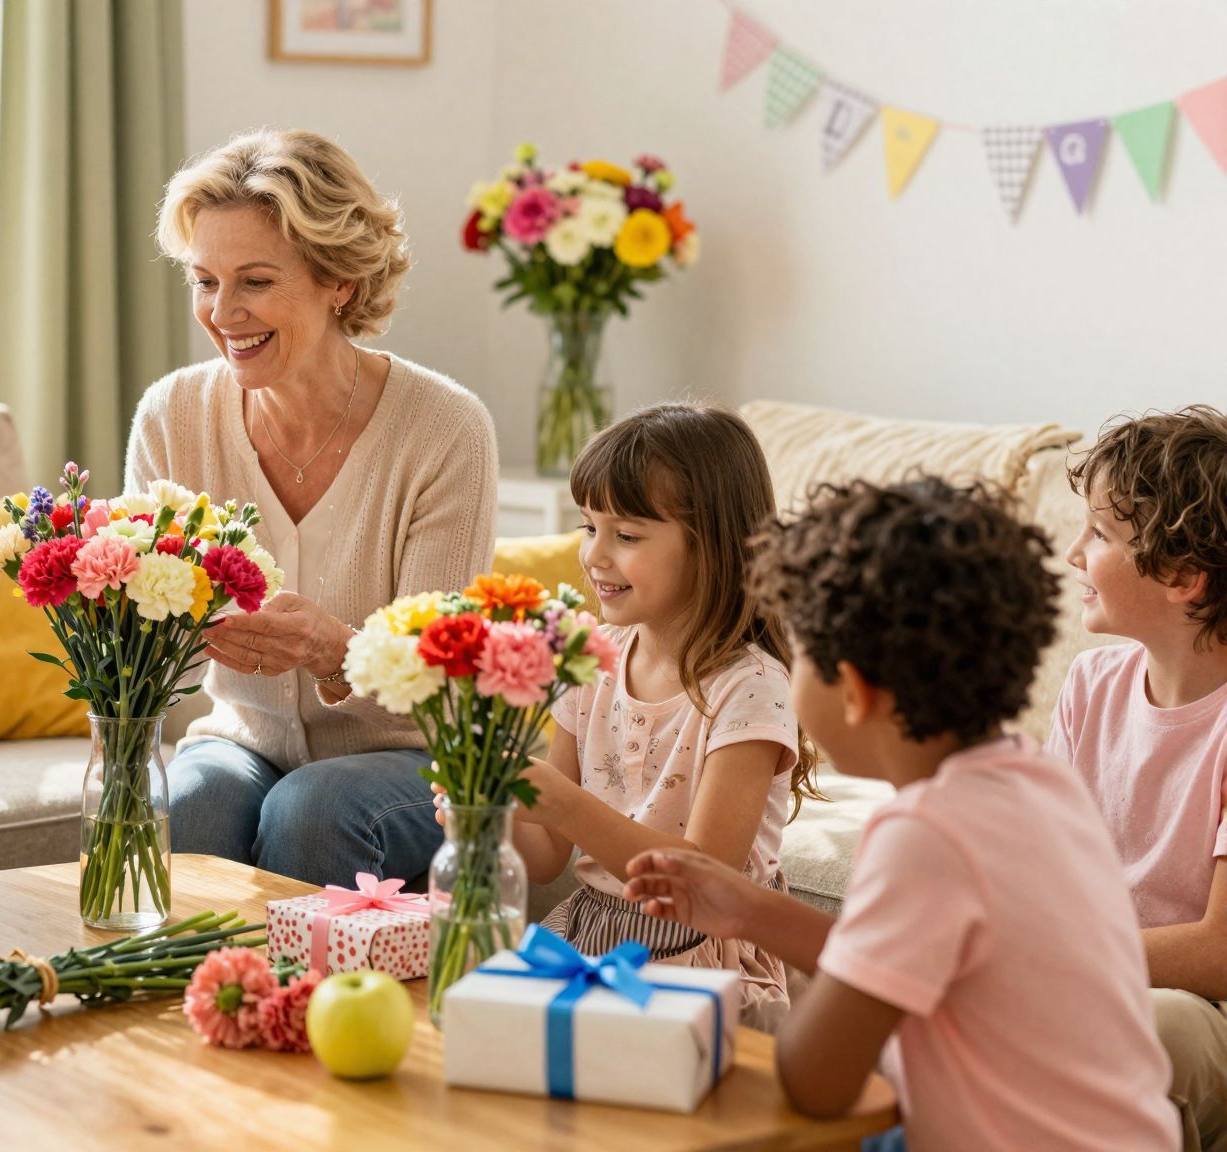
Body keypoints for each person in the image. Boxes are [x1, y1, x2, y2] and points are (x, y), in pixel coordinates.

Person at [625, 476, 1179, 1151]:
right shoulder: (1038, 783)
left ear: (853, 690)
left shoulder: (926, 834)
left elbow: (815, 1080)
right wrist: (747, 910)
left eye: (797, 659)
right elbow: (905, 963)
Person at [126, 128, 496, 887]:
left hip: (408, 759)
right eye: (204, 281)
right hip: (242, 740)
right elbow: (145, 641)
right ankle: (195, 1008)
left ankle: (312, 1010)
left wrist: (337, 650)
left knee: (313, 806)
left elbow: (447, 688)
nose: (223, 312)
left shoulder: (445, 429)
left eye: (255, 282)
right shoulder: (174, 415)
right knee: (192, 800)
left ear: (340, 284)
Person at [501, 403, 818, 1028]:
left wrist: (562, 801)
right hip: (592, 935)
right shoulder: (592, 658)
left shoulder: (750, 688)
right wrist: (492, 808)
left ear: (711, 545)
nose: (594, 556)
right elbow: (543, 858)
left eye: (627, 535)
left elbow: (701, 879)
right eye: (590, 527)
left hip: (702, 960)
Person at [1046, 406, 1227, 1152]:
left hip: (1203, 1012)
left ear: (1184, 574)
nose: (1070, 554)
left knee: (1161, 1024)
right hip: (1089, 983)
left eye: (1098, 535)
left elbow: (1219, 953)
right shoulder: (1091, 684)